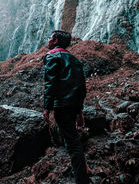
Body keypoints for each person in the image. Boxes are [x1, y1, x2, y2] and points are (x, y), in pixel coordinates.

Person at [43, 30, 89, 184]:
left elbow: (51, 83)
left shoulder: (52, 56)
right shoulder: (74, 59)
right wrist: (79, 111)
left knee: (72, 143)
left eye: (50, 38)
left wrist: (47, 107)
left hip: (61, 106)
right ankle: (83, 167)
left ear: (55, 41)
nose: (48, 40)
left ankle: (81, 179)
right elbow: (80, 86)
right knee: (73, 139)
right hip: (73, 105)